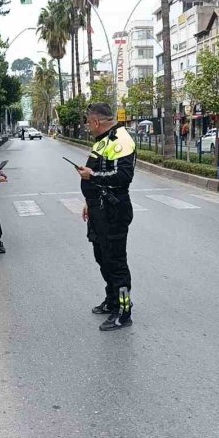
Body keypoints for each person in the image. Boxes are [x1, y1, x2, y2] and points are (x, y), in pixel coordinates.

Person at [76, 103, 136, 332]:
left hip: (114, 209)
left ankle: (124, 311)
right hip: (98, 208)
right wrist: (88, 201)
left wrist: (92, 176)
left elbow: (123, 176)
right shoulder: (103, 140)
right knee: (102, 257)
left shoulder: (121, 140)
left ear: (96, 122)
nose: (87, 126)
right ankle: (112, 300)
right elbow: (96, 173)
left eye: (88, 122)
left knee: (116, 262)